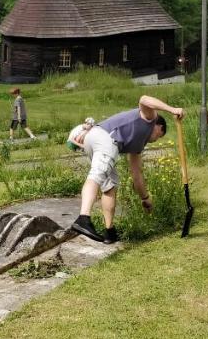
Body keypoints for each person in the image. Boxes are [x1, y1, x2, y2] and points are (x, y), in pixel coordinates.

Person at [69, 95, 185, 244]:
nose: (156, 140)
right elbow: (143, 99)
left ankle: (109, 232)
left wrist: (145, 198)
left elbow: (137, 176)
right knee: (96, 175)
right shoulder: (150, 119)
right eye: (159, 136)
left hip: (93, 140)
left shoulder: (137, 146)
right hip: (105, 138)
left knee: (110, 185)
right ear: (159, 127)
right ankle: (83, 218)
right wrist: (172, 110)